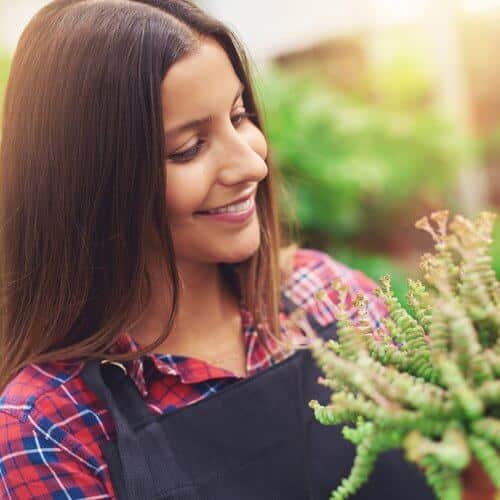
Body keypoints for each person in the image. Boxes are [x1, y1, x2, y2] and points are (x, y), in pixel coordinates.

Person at [0, 1, 438, 499]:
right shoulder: (51, 427)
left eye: (240, 116)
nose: (251, 164)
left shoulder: (326, 296)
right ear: (92, 183)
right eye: (189, 148)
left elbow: (453, 463)